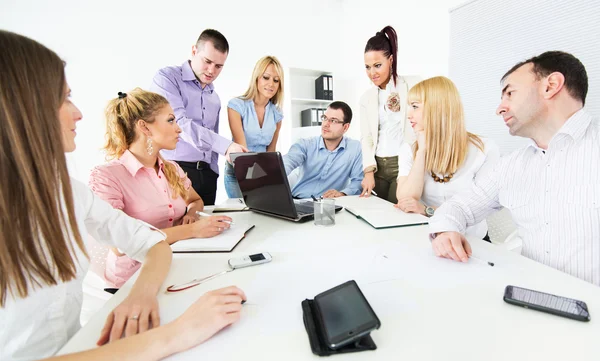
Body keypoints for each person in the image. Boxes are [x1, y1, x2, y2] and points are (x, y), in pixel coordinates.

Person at [0, 30, 245, 361]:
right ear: (19, 108)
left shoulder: (66, 191)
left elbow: (152, 242)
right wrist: (177, 333)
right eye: (63, 98)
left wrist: (141, 294)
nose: (78, 113)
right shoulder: (104, 177)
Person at [429, 51, 600, 286]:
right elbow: (459, 207)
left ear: (551, 86)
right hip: (530, 299)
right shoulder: (511, 165)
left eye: (510, 93)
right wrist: (446, 231)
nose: (500, 108)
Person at [89, 88, 234, 289]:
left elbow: (195, 200)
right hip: (133, 284)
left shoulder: (172, 168)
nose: (178, 129)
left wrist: (191, 214)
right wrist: (192, 230)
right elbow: (120, 245)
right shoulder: (106, 176)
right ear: (145, 127)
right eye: (170, 120)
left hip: (175, 266)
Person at [395, 76, 499, 240]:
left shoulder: (484, 149)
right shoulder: (409, 149)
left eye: (415, 107)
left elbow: (481, 205)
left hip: (474, 240)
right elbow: (405, 199)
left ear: (438, 109)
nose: (408, 115)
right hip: (428, 236)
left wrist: (427, 210)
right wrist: (422, 151)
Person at [151, 29, 247, 205]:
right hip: (175, 169)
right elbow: (178, 123)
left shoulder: (215, 97)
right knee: (180, 229)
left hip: (207, 175)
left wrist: (213, 171)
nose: (212, 70)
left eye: (219, 66)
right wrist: (225, 147)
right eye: (207, 61)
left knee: (210, 228)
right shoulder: (167, 79)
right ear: (194, 51)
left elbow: (211, 134)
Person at [359, 25, 421, 203]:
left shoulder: (413, 85)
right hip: (377, 166)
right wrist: (368, 172)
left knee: (397, 212)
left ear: (391, 60)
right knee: (375, 213)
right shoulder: (366, 98)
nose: (372, 73)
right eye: (368, 67)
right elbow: (367, 137)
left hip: (403, 164)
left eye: (377, 65)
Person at [224, 56, 285, 198]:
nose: (271, 84)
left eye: (276, 80)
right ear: (256, 78)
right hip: (238, 171)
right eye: (266, 77)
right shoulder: (236, 106)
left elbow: (271, 152)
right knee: (242, 215)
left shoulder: (277, 114)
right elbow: (242, 149)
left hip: (262, 172)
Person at [283, 101, 363, 199]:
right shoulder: (305, 144)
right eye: (325, 118)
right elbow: (287, 162)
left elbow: (358, 181)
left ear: (345, 127)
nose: (326, 124)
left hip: (328, 205)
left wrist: (343, 194)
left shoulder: (355, 148)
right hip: (298, 201)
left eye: (333, 121)